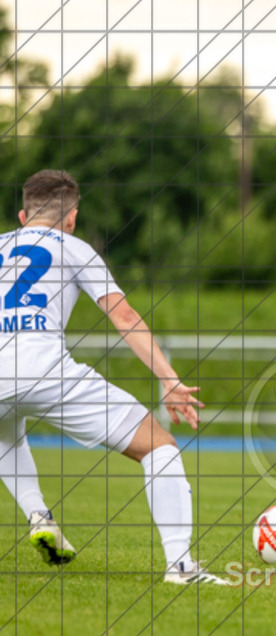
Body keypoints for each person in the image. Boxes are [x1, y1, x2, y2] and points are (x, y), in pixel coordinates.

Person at [0, 170, 226, 585]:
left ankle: (37, 513)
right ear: (71, 218)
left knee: (4, 433)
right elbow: (123, 316)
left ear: (21, 214)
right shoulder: (73, 247)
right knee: (159, 447)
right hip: (47, 371)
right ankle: (181, 566)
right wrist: (168, 378)